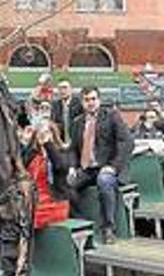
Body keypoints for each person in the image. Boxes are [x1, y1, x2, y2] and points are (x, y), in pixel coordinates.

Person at [66, 86, 134, 244]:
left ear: (99, 100)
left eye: (93, 99)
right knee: (67, 183)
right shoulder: (77, 122)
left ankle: (108, 228)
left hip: (108, 167)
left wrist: (113, 166)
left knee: (104, 180)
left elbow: (127, 142)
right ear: (82, 102)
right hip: (87, 169)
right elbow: (71, 150)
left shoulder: (112, 116)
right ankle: (81, 224)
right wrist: (71, 168)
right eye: (87, 100)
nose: (90, 103)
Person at [52, 79, 83, 147]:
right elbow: (53, 124)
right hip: (60, 144)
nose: (62, 91)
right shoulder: (55, 105)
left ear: (71, 89)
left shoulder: (79, 104)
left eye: (65, 88)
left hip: (77, 143)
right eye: (60, 88)